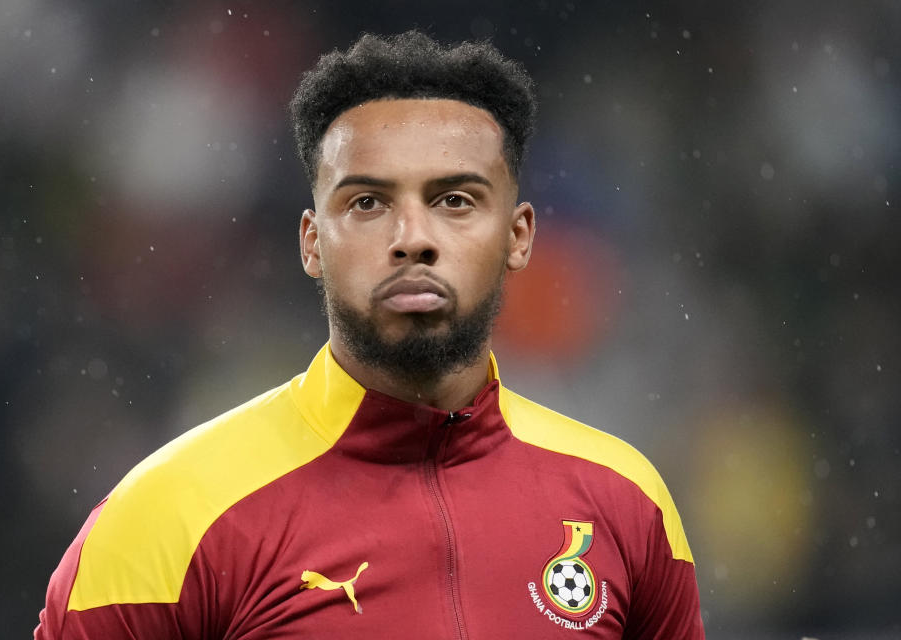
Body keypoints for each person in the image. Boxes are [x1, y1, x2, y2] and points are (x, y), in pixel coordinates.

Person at [35, 31, 704, 638]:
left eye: (455, 200)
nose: (412, 238)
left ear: (519, 235)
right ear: (311, 243)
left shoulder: (625, 504)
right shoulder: (169, 518)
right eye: (367, 203)